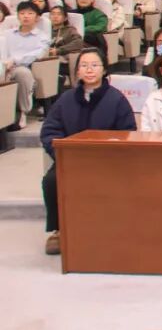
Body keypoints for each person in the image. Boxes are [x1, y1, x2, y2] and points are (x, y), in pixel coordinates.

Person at [40, 48, 136, 255]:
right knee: (51, 181)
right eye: (84, 65)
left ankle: (111, 227)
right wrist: (62, 153)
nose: (89, 70)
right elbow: (49, 131)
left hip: (108, 162)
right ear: (77, 71)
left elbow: (128, 132)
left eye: (94, 65)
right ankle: (59, 230)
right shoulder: (65, 99)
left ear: (104, 70)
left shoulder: (117, 99)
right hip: (70, 160)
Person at [4, 2, 50, 127]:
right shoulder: (7, 34)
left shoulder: (42, 37)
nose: (26, 16)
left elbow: (37, 54)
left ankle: (22, 113)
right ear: (18, 16)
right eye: (22, 13)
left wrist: (15, 60)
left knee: (22, 73)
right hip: (4, 66)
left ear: (37, 17)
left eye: (30, 13)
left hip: (25, 68)